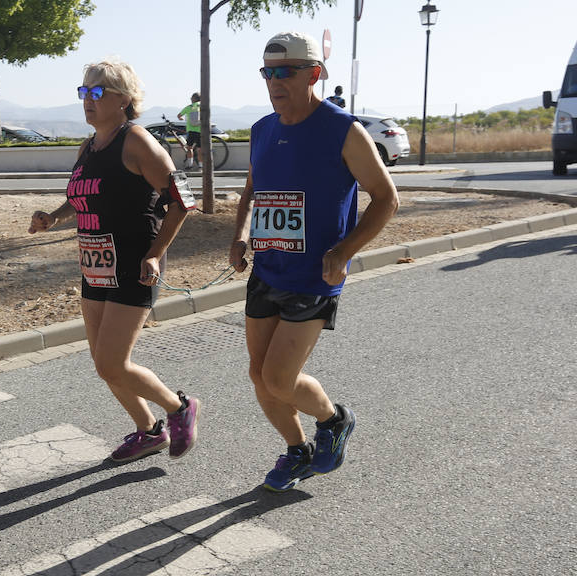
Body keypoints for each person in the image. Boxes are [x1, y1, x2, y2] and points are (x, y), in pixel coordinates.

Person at [229, 32, 399, 492]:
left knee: (279, 377)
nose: (274, 81)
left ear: (314, 74)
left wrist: (344, 251)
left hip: (314, 277)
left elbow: (386, 199)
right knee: (258, 375)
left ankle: (334, 418)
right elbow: (251, 191)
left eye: (285, 72)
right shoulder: (263, 129)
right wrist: (241, 236)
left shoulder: (343, 130)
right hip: (267, 270)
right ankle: (297, 451)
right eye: (268, 72)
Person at [28, 59, 201, 463]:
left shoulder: (136, 141)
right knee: (104, 365)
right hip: (94, 265)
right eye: (83, 92)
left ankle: (179, 407)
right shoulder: (88, 146)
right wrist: (53, 217)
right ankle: (149, 431)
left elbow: (183, 199)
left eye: (97, 92)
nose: (87, 100)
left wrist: (156, 254)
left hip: (134, 265)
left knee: (112, 362)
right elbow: (80, 195)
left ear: (123, 99)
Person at [177, 92, 202, 170]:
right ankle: (201, 166)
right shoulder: (203, 106)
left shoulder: (189, 107)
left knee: (189, 148)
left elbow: (179, 115)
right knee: (199, 149)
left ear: (193, 99)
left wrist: (181, 118)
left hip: (191, 131)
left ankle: (190, 165)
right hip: (200, 130)